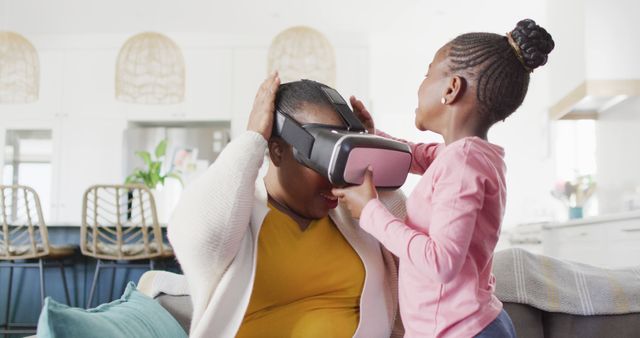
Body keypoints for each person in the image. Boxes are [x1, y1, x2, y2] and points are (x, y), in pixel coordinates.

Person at [333, 19, 555, 337]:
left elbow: (441, 262)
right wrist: (372, 135)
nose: (420, 85)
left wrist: (370, 212)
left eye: (427, 74)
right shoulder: (468, 156)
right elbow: (417, 155)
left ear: (451, 90)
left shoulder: (463, 162)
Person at [167, 75, 404, 337]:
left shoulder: (353, 216)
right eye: (324, 160)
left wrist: (367, 160)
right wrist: (252, 138)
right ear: (277, 150)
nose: (336, 177)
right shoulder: (240, 216)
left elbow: (406, 235)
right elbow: (198, 236)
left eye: (343, 160)